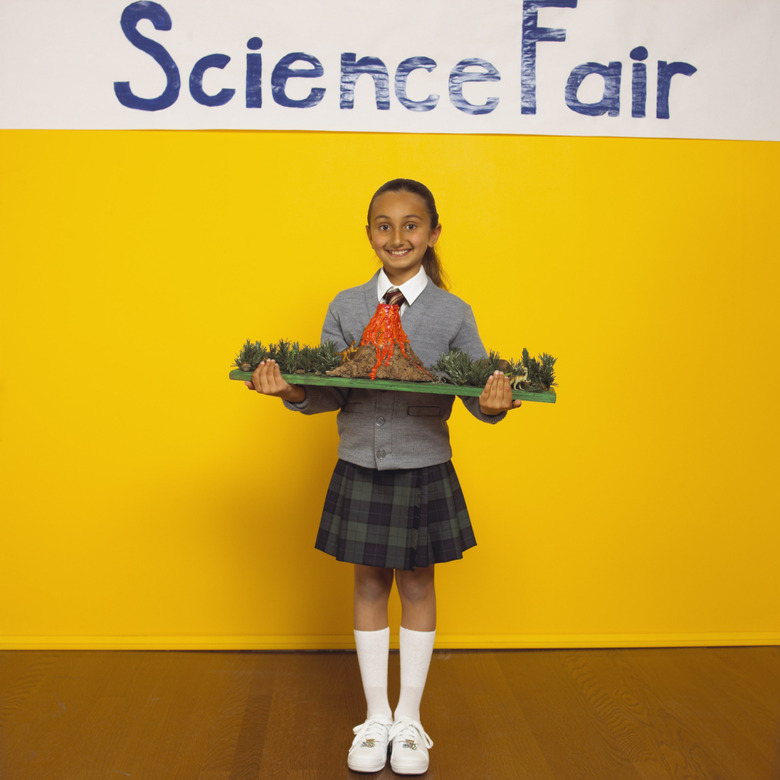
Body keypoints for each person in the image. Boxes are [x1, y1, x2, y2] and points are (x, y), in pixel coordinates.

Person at [246, 178, 521, 775]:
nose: (397, 237)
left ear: (433, 233)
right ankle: (375, 719)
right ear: (369, 232)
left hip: (424, 468)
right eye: (384, 225)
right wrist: (291, 389)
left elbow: (474, 395)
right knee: (370, 583)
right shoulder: (347, 307)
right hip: (359, 467)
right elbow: (330, 391)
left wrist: (494, 403)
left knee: (417, 584)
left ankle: (411, 721)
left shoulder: (454, 313)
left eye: (411, 225)